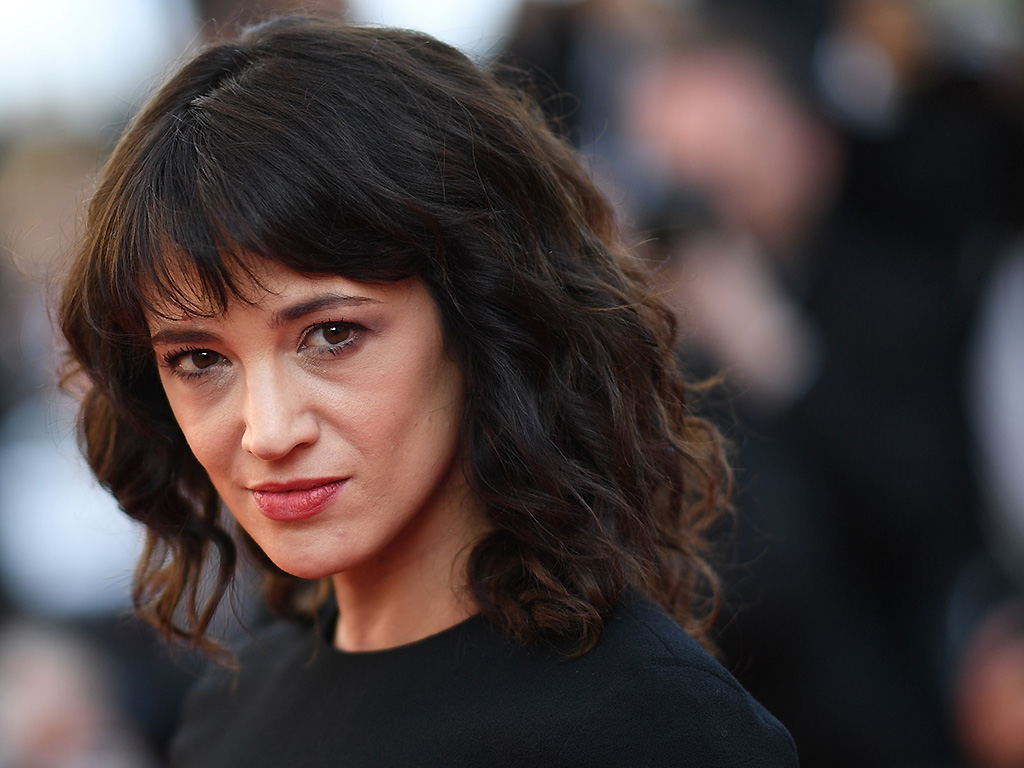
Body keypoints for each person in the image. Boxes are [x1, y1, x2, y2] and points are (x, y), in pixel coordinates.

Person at [58, 16, 798, 767]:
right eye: (198, 359)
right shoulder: (226, 714)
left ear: (484, 318)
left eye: (332, 335)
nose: (268, 431)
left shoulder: (650, 727)